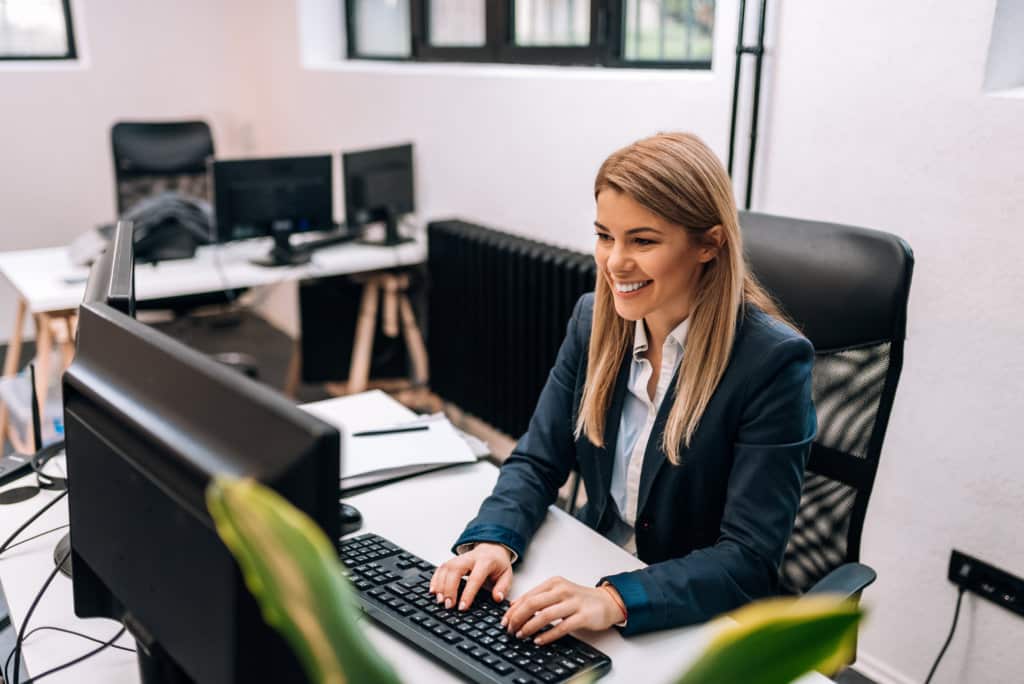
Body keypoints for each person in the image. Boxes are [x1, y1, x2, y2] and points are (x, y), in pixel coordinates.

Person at [429, 132, 816, 643]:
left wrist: (613, 599)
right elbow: (537, 461)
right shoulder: (593, 321)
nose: (614, 262)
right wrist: (493, 542)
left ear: (709, 243)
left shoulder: (771, 362)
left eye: (643, 240)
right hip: (593, 563)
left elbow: (748, 558)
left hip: (688, 612)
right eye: (605, 236)